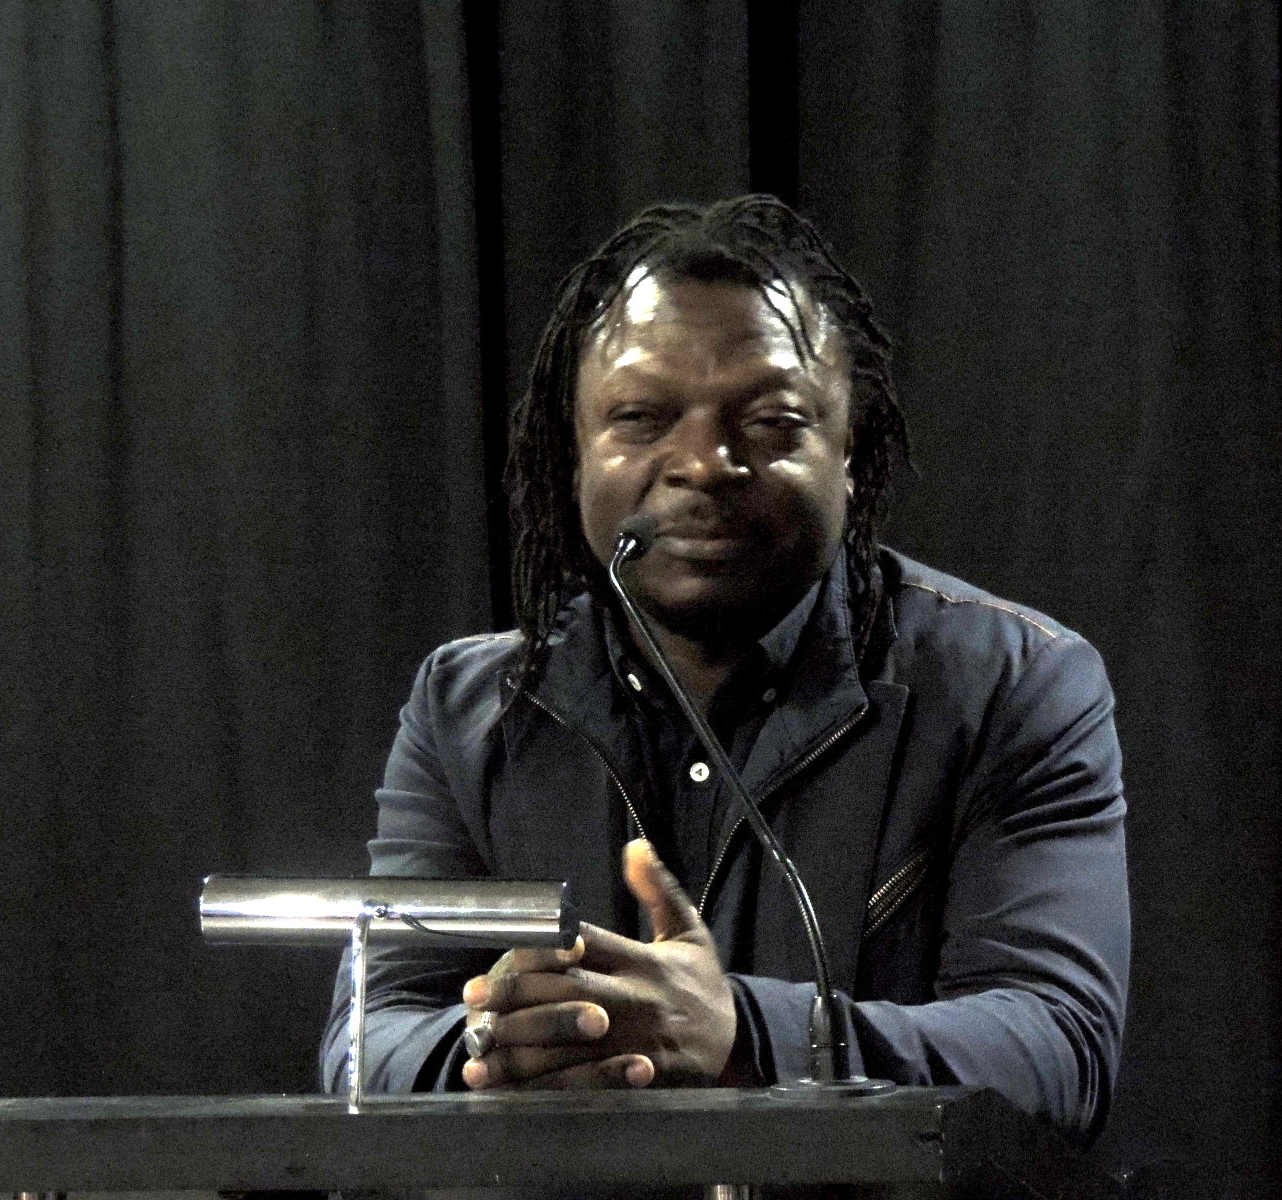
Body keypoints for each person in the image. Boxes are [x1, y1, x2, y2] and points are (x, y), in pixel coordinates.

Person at [321, 195, 1128, 1139]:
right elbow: (367, 1037)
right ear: (574, 453)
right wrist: (512, 1042)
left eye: (771, 421)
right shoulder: (467, 709)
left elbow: (1057, 1049)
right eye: (640, 417)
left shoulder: (1014, 685)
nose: (704, 462)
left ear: (850, 454)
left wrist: (746, 1033)